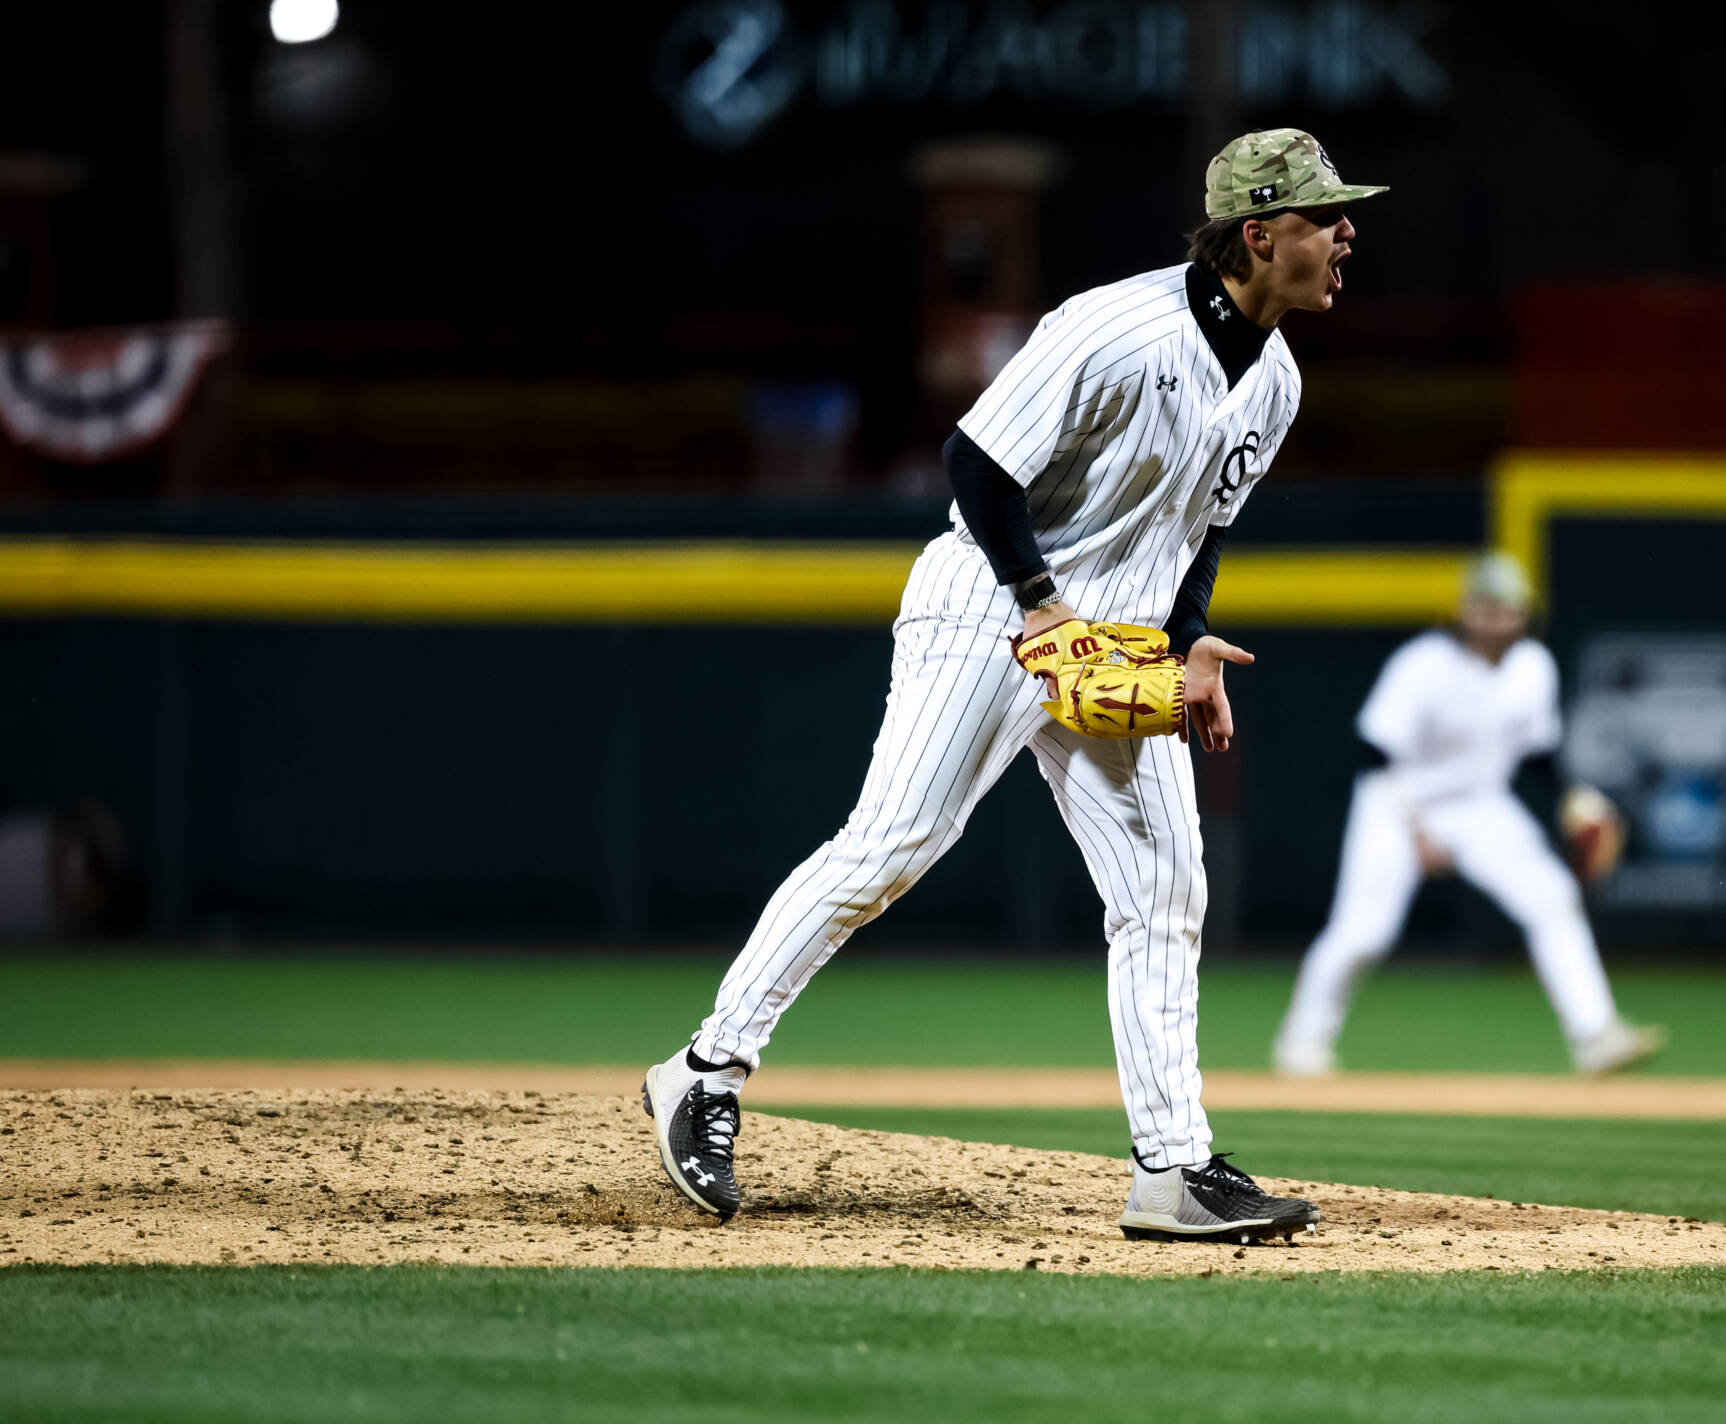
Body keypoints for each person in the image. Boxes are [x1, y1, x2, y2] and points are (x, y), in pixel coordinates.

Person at [642, 129, 1384, 1241]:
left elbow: (1200, 533)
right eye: (1326, 217)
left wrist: (1188, 644)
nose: (1346, 234)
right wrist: (1042, 603)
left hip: (1117, 645)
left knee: (1166, 887)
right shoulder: (1114, 327)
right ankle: (703, 1072)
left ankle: (1173, 1170)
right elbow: (978, 464)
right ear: (1258, 232)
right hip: (993, 607)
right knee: (895, 842)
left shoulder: (1273, 379)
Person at [1272, 552, 1664, 1077]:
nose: (1496, 615)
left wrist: (1572, 797)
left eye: (1507, 606)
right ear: (1464, 609)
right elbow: (1375, 752)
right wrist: (1418, 830)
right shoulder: (1424, 663)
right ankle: (1302, 1043)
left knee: (1552, 898)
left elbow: (1539, 755)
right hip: (1396, 802)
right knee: (1364, 931)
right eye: (1485, 604)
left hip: (1481, 805)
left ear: (1525, 613)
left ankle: (1595, 1035)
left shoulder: (1533, 666)